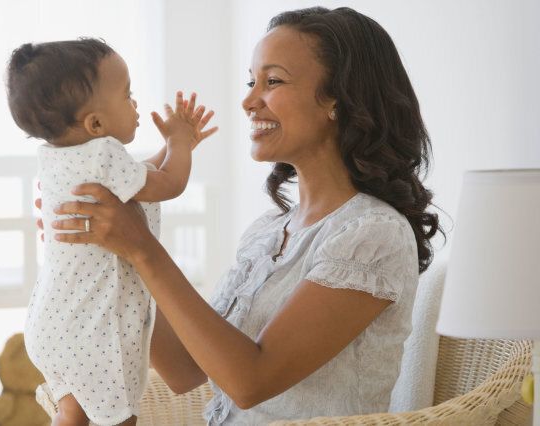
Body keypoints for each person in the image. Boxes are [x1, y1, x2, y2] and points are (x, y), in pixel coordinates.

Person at [48, 7, 443, 425]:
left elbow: (249, 381)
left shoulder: (373, 234)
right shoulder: (267, 234)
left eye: (272, 82)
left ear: (338, 100)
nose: (249, 100)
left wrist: (143, 247)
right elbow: (185, 369)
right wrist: (107, 251)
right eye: (251, 81)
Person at [6, 38, 217, 426]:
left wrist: (173, 147)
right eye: (127, 95)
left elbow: (143, 177)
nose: (135, 105)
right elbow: (168, 184)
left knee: (73, 411)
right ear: (96, 124)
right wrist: (181, 143)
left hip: (52, 323)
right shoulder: (104, 155)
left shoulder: (58, 158)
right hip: (94, 331)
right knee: (119, 418)